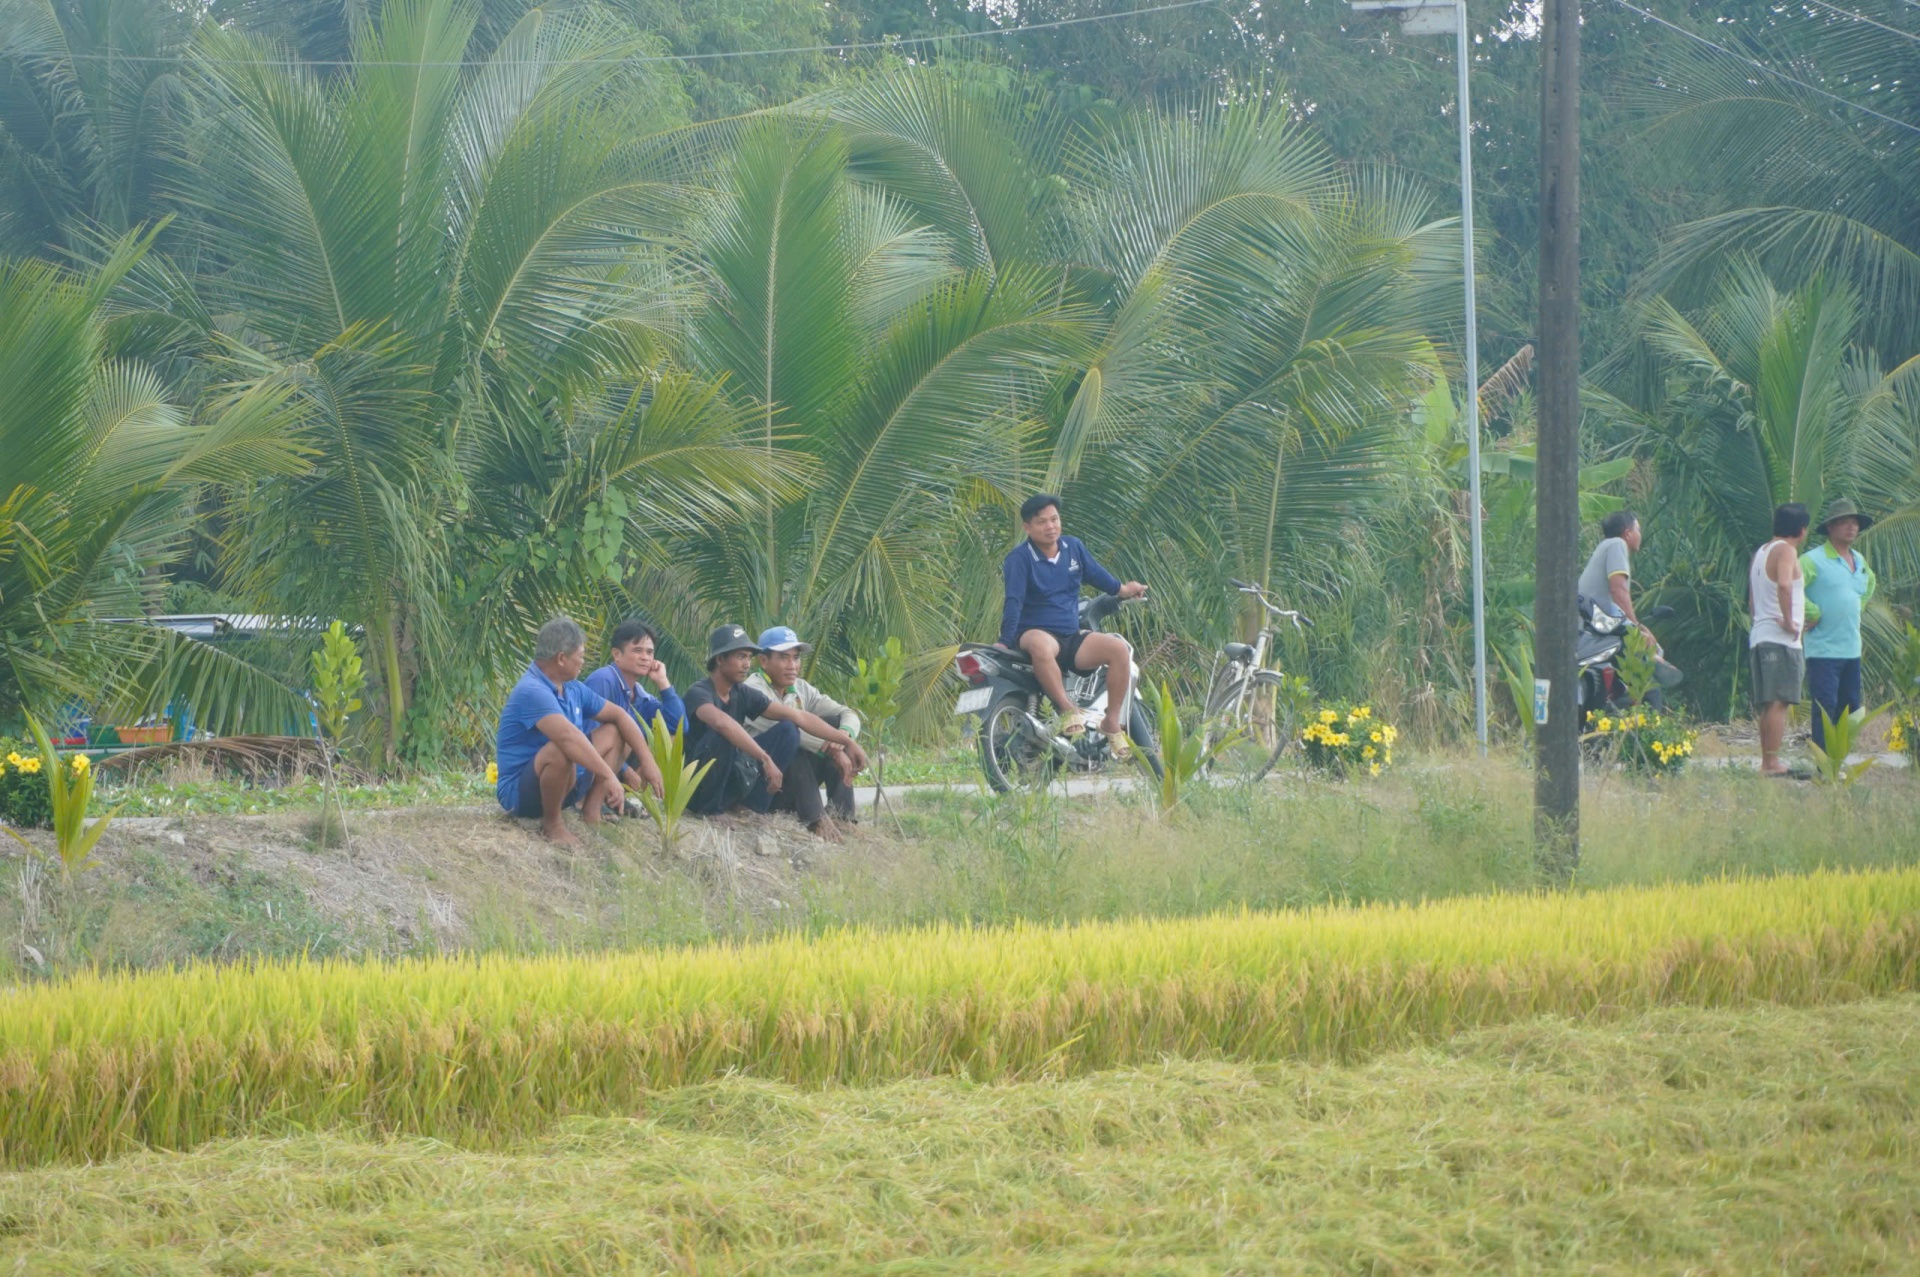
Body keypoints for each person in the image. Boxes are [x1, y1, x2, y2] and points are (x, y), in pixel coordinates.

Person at [683, 624, 868, 837]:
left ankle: (754, 806)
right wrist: (765, 758)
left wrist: (848, 742)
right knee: (726, 736)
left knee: (793, 728)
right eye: (741, 656)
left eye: (748, 657)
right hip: (698, 788)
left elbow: (798, 716)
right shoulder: (699, 692)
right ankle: (710, 810)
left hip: (735, 778)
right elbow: (723, 724)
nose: (746, 664)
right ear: (720, 659)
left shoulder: (742, 692)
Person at [495, 616, 664, 845]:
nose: (583, 662)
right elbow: (568, 738)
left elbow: (619, 715)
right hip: (522, 794)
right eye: (581, 656)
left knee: (615, 731)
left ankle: (591, 813)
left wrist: (648, 761)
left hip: (567, 781)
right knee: (560, 750)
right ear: (562, 659)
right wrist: (608, 775)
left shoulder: (573, 687)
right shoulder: (532, 690)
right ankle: (552, 825)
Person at [997, 493, 1146, 749]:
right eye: (1042, 522)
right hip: (1035, 633)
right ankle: (1067, 710)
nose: (1050, 526)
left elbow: (1098, 575)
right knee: (1041, 645)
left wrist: (1123, 589)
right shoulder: (1019, 559)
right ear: (1027, 527)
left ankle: (1111, 722)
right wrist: (1004, 641)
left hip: (1071, 635)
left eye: (1054, 519)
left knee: (1119, 649)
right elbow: (1013, 602)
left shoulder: (1073, 547)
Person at [745, 626, 864, 826]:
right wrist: (838, 750)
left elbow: (847, 713)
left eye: (796, 658)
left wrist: (845, 735)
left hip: (794, 782)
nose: (792, 665)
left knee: (834, 723)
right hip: (764, 783)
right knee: (794, 741)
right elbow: (792, 735)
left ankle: (843, 817)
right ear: (763, 661)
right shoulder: (752, 691)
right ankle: (816, 820)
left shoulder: (800, 688)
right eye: (784, 658)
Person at [1801, 498, 1878, 752]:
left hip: (1851, 648)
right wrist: (1812, 611)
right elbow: (1790, 586)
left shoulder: (1859, 559)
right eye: (1844, 523)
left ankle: (1839, 758)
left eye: (1854, 523)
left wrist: (1859, 605)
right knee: (1825, 707)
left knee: (1850, 707)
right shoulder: (1813, 559)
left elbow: (1870, 582)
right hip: (1823, 649)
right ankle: (1823, 765)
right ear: (1831, 527)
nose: (1851, 528)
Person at [585, 620, 686, 795]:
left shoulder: (639, 694)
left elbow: (678, 727)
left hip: (614, 767)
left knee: (668, 737)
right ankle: (594, 799)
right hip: (585, 763)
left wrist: (663, 682)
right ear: (617, 654)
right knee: (620, 732)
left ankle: (632, 798)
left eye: (650, 652)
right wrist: (626, 770)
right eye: (638, 650)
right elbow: (588, 735)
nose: (645, 657)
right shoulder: (603, 680)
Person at [1749, 503, 1811, 777]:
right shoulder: (1786, 550)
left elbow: (1752, 600)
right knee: (1778, 702)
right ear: (1802, 530)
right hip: (1780, 639)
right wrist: (1788, 621)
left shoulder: (1761, 552)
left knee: (1770, 701)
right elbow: (1785, 584)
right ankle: (1772, 763)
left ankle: (1768, 761)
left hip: (1761, 634)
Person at [1578, 509, 1656, 650]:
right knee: (1658, 662)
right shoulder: (1617, 544)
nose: (1640, 535)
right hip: (1594, 629)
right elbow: (1618, 590)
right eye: (1638, 530)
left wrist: (1639, 626)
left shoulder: (1605, 546)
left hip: (1592, 627)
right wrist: (1635, 630)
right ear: (1627, 533)